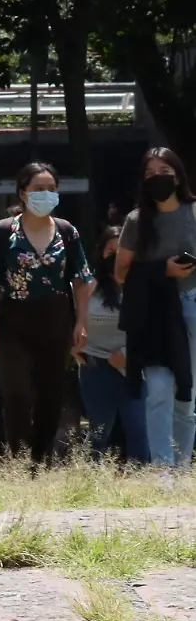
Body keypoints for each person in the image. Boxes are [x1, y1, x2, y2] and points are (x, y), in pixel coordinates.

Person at [0, 162, 92, 463]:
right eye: (39, 189)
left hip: (56, 322)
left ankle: (40, 460)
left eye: (52, 189)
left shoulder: (67, 232)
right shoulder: (4, 232)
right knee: (17, 392)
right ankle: (18, 457)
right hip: (13, 322)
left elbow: (82, 281)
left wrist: (81, 322)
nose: (46, 195)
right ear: (23, 193)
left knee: (51, 394)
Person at [117, 148, 196, 467]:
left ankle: (182, 467)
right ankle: (162, 470)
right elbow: (121, 272)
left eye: (163, 170)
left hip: (191, 306)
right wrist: (161, 271)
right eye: (149, 174)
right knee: (159, 391)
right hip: (153, 315)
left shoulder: (193, 213)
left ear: (177, 174)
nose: (157, 178)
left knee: (186, 399)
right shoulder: (136, 221)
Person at [79, 226, 148, 461]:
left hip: (135, 367)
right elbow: (72, 320)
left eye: (123, 251)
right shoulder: (88, 286)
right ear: (101, 253)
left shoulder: (144, 286)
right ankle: (89, 482)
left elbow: (153, 327)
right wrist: (74, 345)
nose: (117, 257)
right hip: (95, 367)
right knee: (98, 433)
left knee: (139, 430)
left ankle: (144, 484)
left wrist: (129, 356)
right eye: (111, 251)